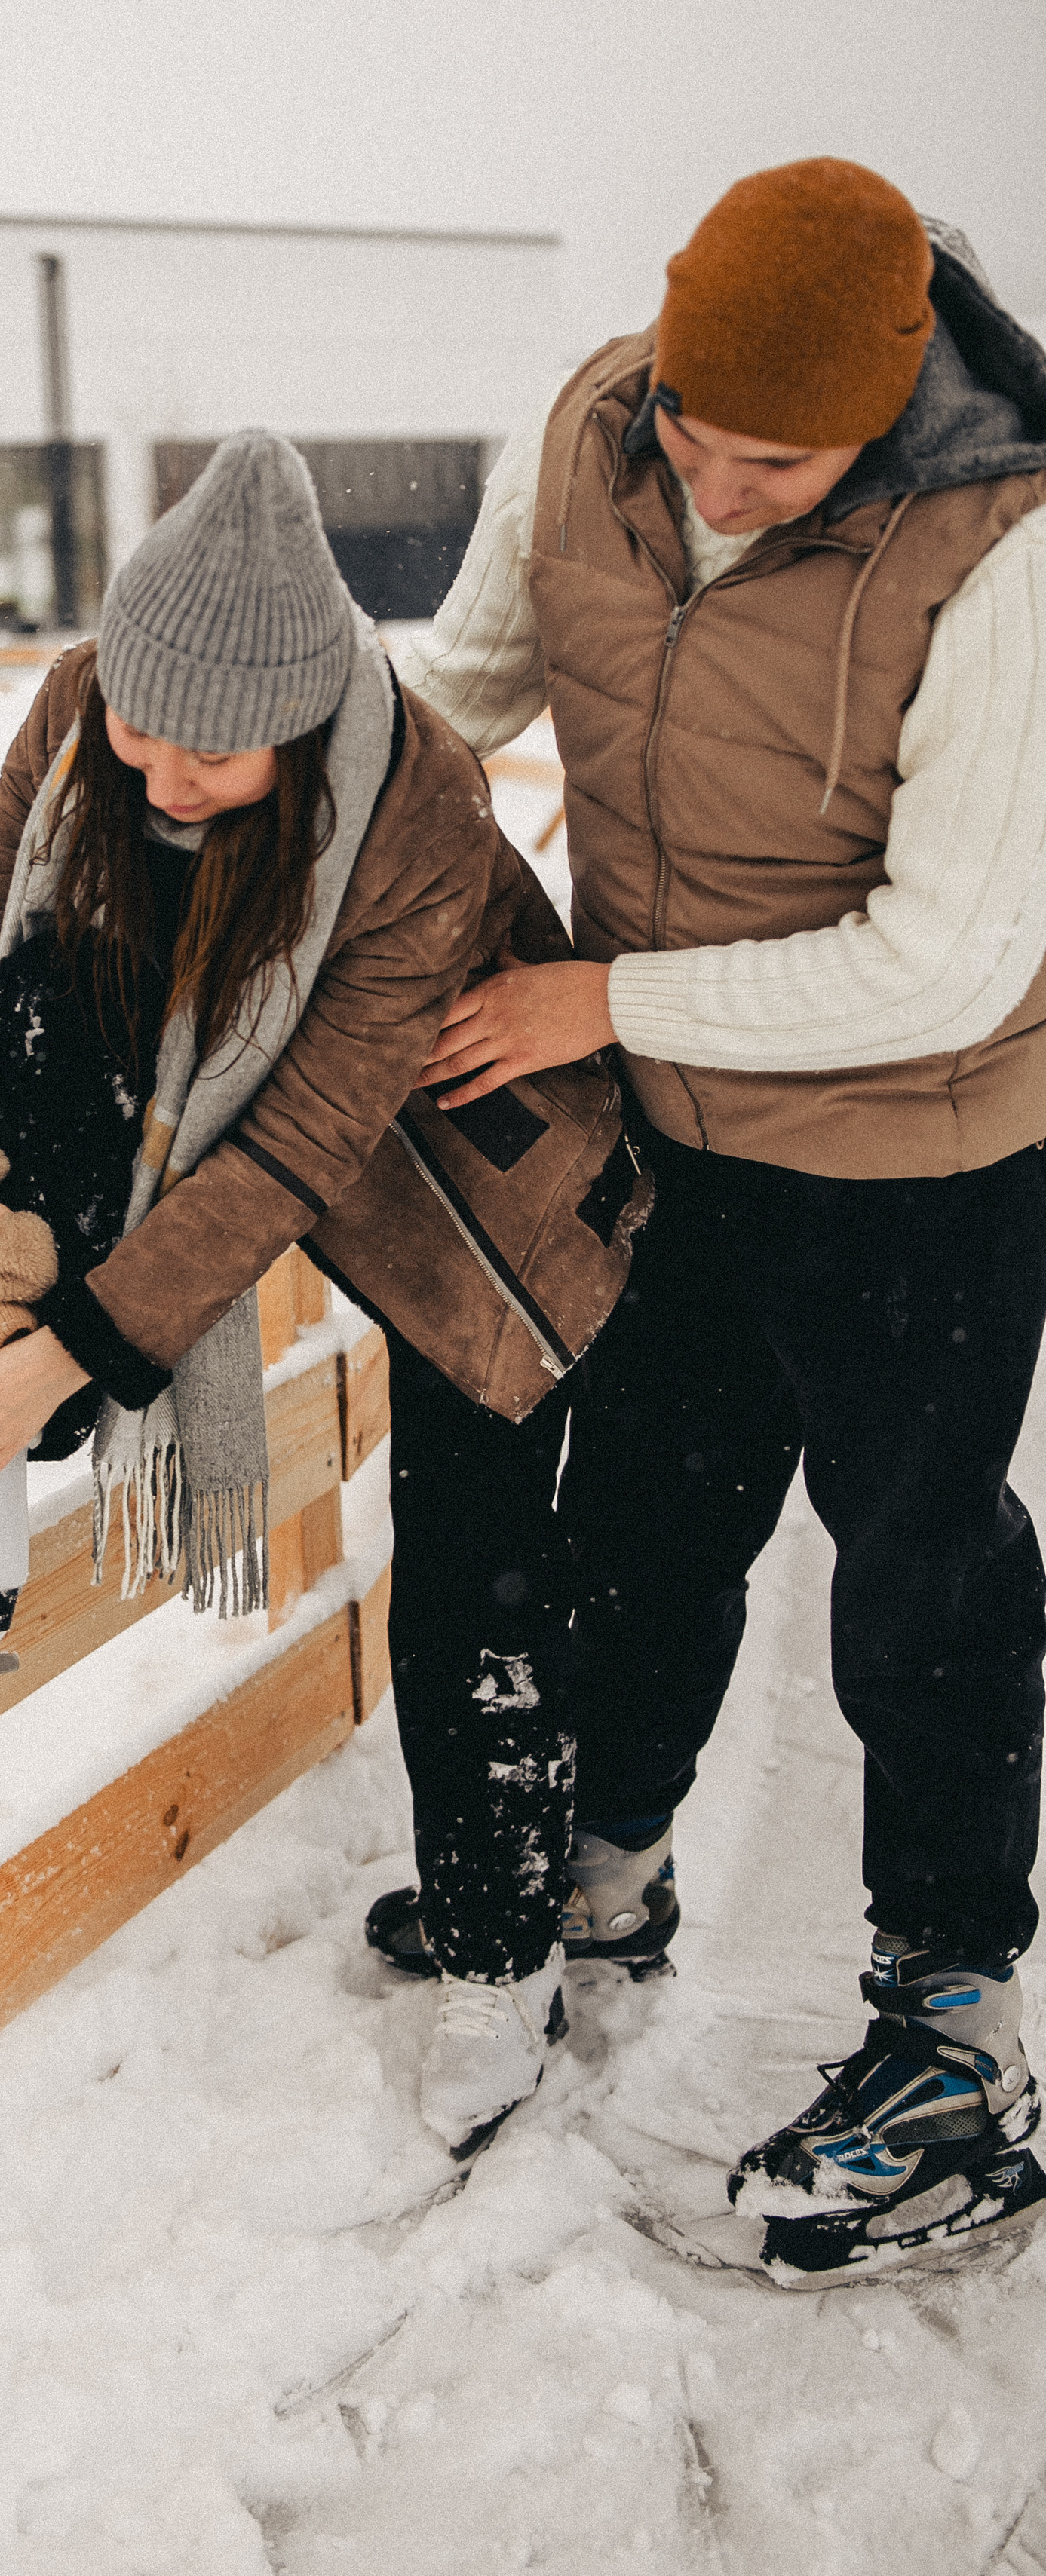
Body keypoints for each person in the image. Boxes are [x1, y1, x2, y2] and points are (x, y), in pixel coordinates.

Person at [0, 430, 646, 2155]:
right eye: (141, 729)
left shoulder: (414, 810)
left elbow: (301, 1144)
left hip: (459, 1190)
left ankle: (496, 1956)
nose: (163, 774)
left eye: (215, 750)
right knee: (33, 1010)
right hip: (194, 1104)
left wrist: (76, 1350)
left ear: (305, 719)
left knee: (470, 1569)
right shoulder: (84, 704)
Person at [397, 158, 1046, 2269]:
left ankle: (954, 2036)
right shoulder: (598, 433)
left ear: (891, 409)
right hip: (674, 1137)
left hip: (915, 1156)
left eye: (779, 458)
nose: (718, 479)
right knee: (652, 1518)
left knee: (921, 1582)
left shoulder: (1005, 548)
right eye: (694, 427)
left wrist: (600, 995)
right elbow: (465, 695)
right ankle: (613, 1859)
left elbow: (952, 962)